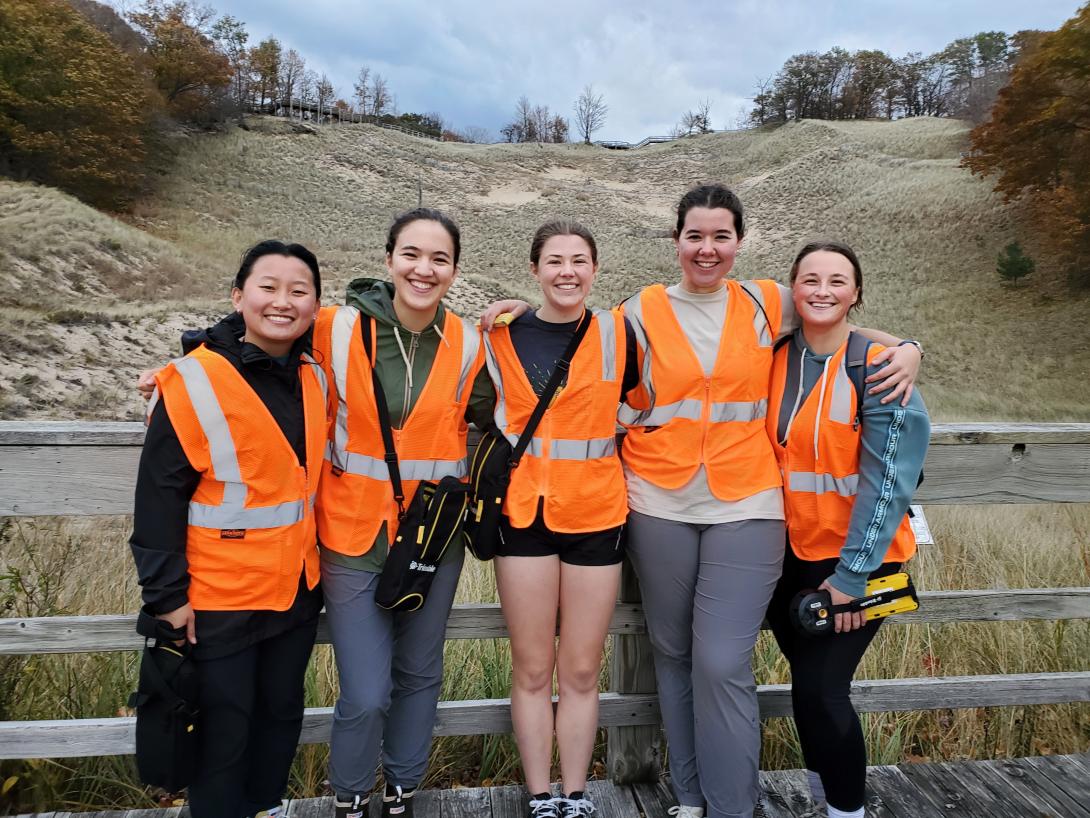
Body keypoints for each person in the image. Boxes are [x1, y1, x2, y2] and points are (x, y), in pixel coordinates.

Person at [616, 185, 923, 818]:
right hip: (658, 499)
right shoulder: (637, 311)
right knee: (672, 655)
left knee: (720, 657)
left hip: (746, 504)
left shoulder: (763, 300)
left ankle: (734, 805)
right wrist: (512, 314)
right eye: (695, 236)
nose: (707, 248)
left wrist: (911, 348)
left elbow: (834, 314)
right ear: (676, 241)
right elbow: (579, 349)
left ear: (738, 243)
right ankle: (692, 795)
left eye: (720, 236)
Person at [130, 240, 327, 818]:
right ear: (238, 296)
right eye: (268, 287)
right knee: (222, 738)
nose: (283, 302)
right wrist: (166, 597)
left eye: (299, 291)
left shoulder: (315, 375)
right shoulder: (192, 382)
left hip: (292, 593)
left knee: (279, 724)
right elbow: (158, 499)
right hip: (218, 600)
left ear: (316, 305)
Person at [314, 208, 488, 818]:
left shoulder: (469, 342)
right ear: (388, 259)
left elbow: (513, 403)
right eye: (411, 254)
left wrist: (518, 318)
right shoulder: (334, 328)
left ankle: (402, 789)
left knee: (419, 672)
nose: (424, 269)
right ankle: (351, 794)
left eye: (440, 259)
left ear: (454, 270)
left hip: (433, 538)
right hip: (351, 531)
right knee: (365, 690)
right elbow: (253, 339)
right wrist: (177, 369)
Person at [763, 241, 929, 818]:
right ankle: (826, 796)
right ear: (793, 290)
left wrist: (854, 576)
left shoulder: (879, 369)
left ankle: (847, 810)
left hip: (854, 565)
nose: (823, 290)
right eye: (810, 279)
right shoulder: (777, 355)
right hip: (786, 560)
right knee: (806, 690)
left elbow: (889, 482)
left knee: (823, 691)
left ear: (857, 292)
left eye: (838, 280)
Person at [482, 221, 639, 818]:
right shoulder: (499, 333)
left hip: (596, 514)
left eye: (578, 260)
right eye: (554, 261)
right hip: (523, 517)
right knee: (532, 666)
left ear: (595, 269)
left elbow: (649, 397)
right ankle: (540, 795)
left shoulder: (620, 333)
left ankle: (576, 795)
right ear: (534, 270)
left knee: (579, 667)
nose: (567, 271)